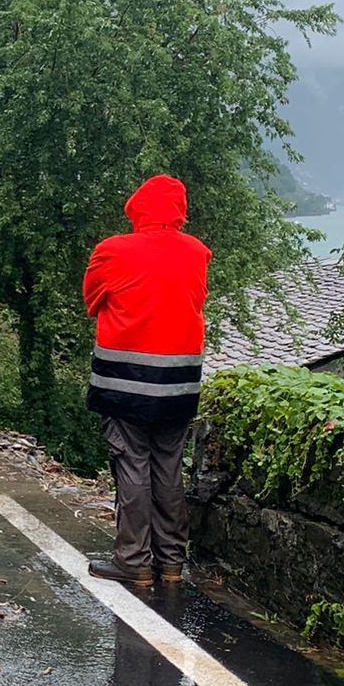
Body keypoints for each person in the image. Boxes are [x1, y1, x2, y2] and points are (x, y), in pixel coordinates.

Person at [81, 173, 210, 586]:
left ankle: (134, 560)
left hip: (126, 381)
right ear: (179, 211)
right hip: (180, 383)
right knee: (169, 465)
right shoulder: (197, 252)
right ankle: (171, 561)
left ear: (136, 207)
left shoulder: (113, 251)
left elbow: (91, 300)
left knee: (132, 463)